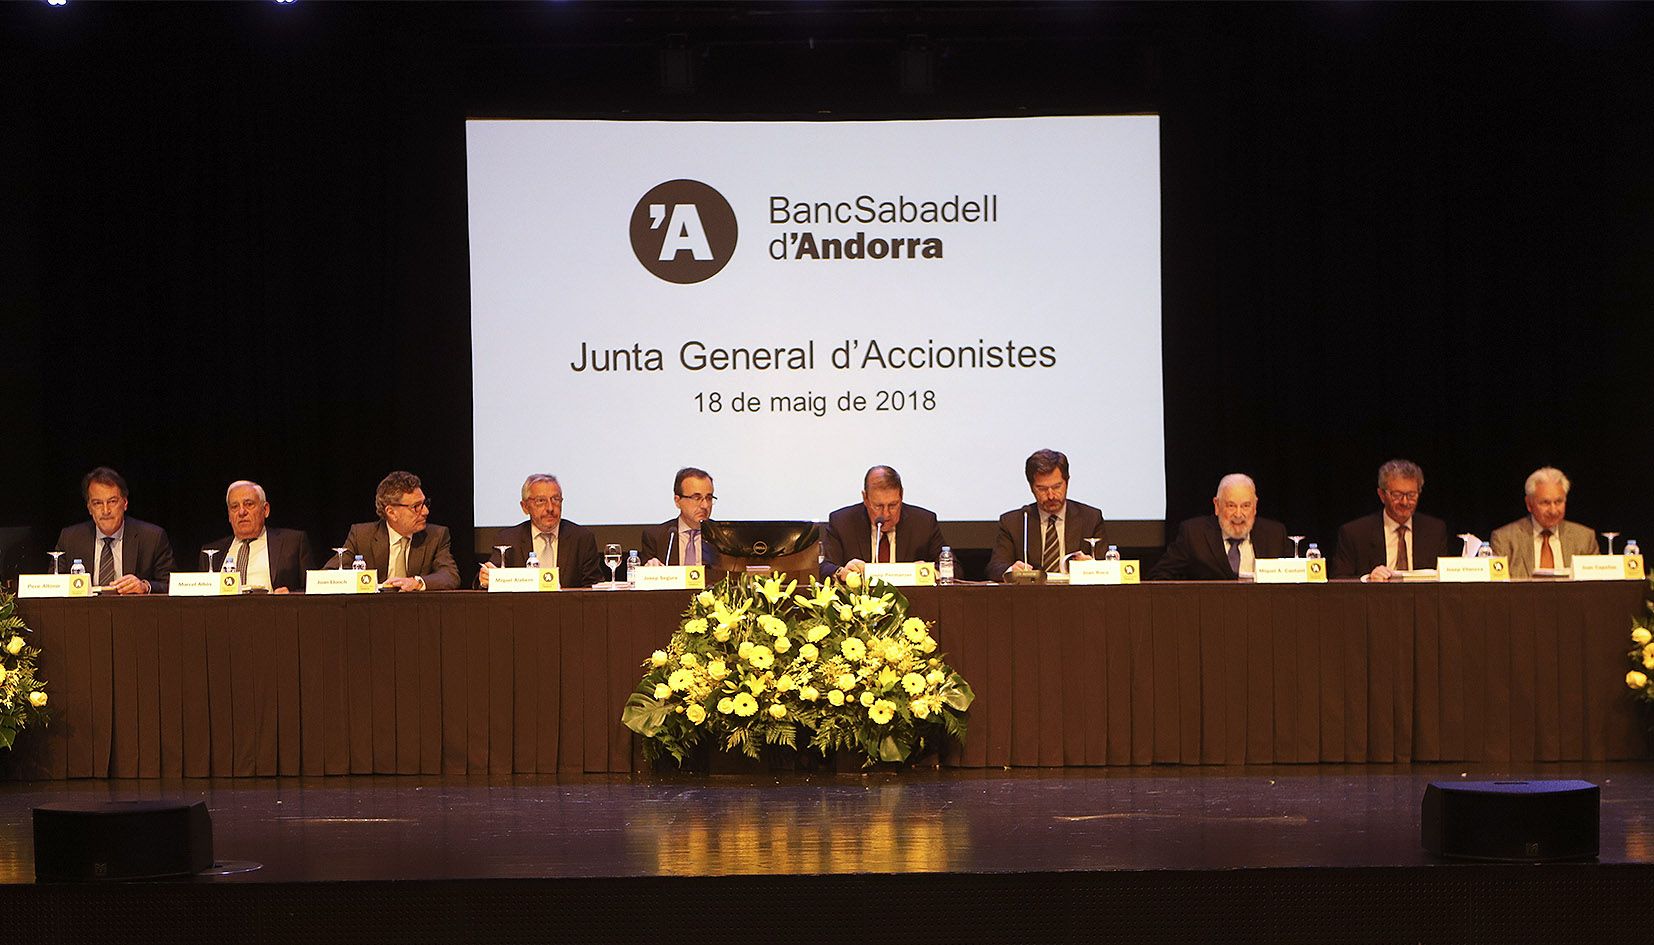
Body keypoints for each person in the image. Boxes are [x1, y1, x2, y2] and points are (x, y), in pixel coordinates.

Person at [986, 449, 1108, 581]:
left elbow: (1107, 567)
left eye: (1057, 487)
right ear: (1031, 487)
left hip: (1078, 597)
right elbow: (995, 567)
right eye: (1042, 489)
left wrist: (1093, 567)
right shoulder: (1014, 522)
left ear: (1067, 482)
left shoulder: (1090, 518)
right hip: (1030, 597)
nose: (1051, 496)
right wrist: (1011, 570)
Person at [327, 470, 459, 591]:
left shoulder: (436, 536)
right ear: (391, 512)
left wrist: (416, 582)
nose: (425, 511)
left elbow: (449, 576)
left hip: (417, 611)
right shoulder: (361, 536)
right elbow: (329, 575)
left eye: (425, 504)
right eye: (416, 507)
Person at [54, 466, 174, 594]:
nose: (106, 511)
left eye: (112, 501)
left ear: (125, 503)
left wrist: (145, 586)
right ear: (89, 508)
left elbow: (172, 585)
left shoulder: (152, 537)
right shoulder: (70, 538)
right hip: (83, 612)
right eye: (97, 503)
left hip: (134, 612)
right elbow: (53, 586)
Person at [1147, 473, 1289, 581]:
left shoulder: (1275, 534)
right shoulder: (1194, 534)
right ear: (1217, 505)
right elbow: (1159, 576)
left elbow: (1298, 578)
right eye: (1231, 506)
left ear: (1255, 506)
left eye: (1246, 506)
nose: (1238, 514)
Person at [478, 473, 605, 589]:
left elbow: (593, 588)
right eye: (541, 501)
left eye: (555, 499)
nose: (550, 508)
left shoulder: (582, 538)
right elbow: (489, 575)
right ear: (525, 507)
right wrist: (485, 579)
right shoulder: (509, 539)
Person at [1329, 459, 1449, 581]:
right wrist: (1368, 579)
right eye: (1397, 495)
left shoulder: (1435, 530)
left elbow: (1446, 578)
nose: (1405, 502)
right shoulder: (1355, 533)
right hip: (1374, 598)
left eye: (1411, 495)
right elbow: (1339, 580)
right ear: (1382, 495)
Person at [820, 465, 945, 579]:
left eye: (893, 505)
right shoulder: (843, 522)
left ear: (901, 496)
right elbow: (823, 567)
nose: (886, 514)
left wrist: (930, 572)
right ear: (865, 498)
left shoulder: (923, 522)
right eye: (878, 506)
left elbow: (953, 567)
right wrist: (842, 572)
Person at [202, 480, 313, 593]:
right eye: (235, 506)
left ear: (265, 510)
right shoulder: (211, 553)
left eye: (249, 504)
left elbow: (313, 590)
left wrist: (290, 597)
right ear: (229, 515)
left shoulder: (293, 542)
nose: (241, 512)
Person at [1489, 466, 1599, 579]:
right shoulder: (1505, 539)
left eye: (1558, 502)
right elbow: (1497, 589)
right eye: (1545, 503)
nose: (1553, 510)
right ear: (1529, 504)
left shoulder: (1584, 538)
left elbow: (1597, 586)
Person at [640, 467, 720, 568]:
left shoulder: (723, 537)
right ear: (677, 501)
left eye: (709, 498)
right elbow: (644, 579)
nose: (705, 505)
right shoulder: (656, 537)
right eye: (697, 498)